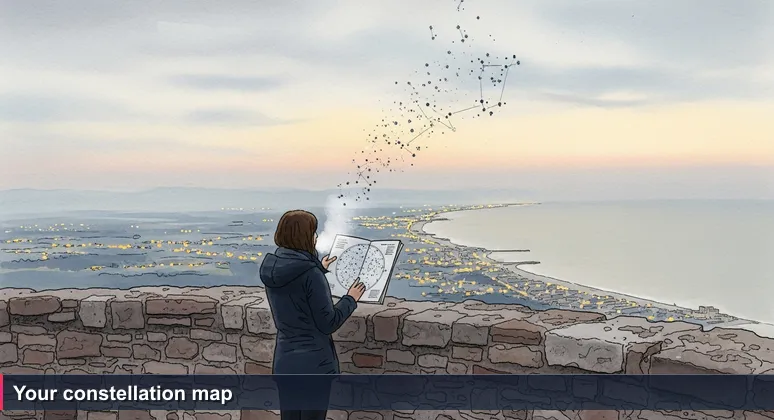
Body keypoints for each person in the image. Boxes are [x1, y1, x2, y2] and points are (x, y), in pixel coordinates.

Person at [259, 209, 366, 420]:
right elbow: (328, 322)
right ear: (304, 237)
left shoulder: (273, 268)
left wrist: (319, 267)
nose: (316, 237)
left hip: (286, 363)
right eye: (313, 232)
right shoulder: (311, 275)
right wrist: (350, 299)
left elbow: (295, 290)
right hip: (313, 365)